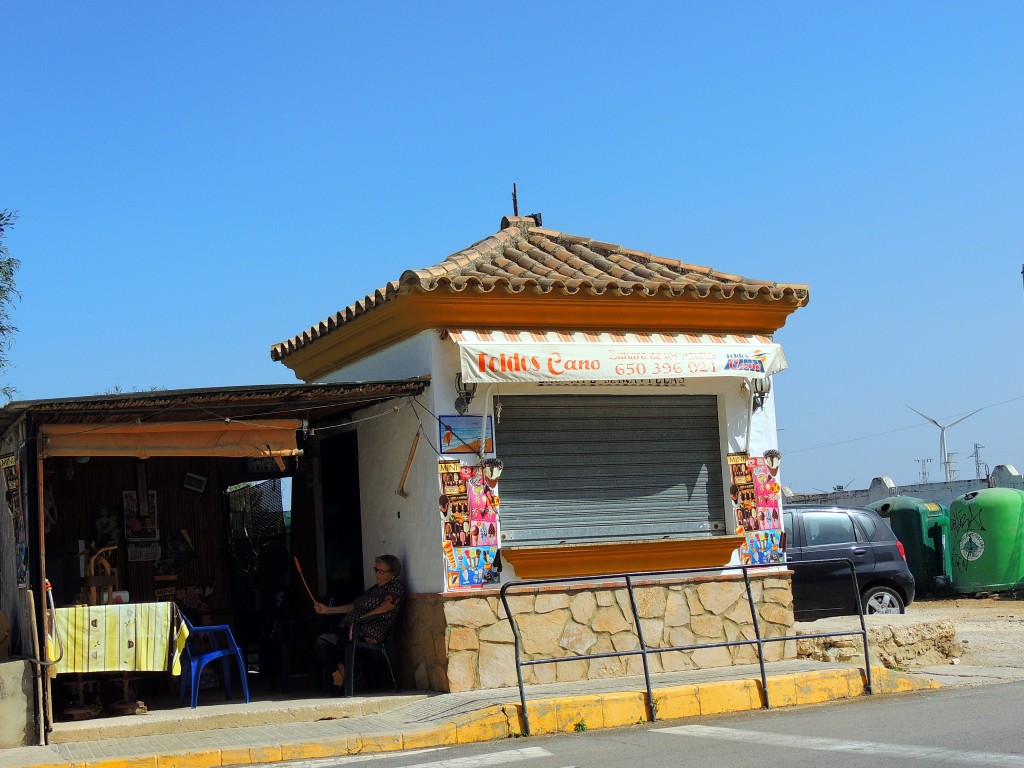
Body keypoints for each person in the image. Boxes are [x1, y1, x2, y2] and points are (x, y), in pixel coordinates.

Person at [311, 554, 405, 694]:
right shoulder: (374, 589)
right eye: (376, 570)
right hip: (352, 630)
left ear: (393, 574)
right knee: (324, 644)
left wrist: (358, 620)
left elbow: (387, 606)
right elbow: (354, 606)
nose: (377, 574)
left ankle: (338, 677)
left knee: (321, 642)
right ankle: (342, 672)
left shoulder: (395, 587)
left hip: (366, 632)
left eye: (381, 571)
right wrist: (328, 610)